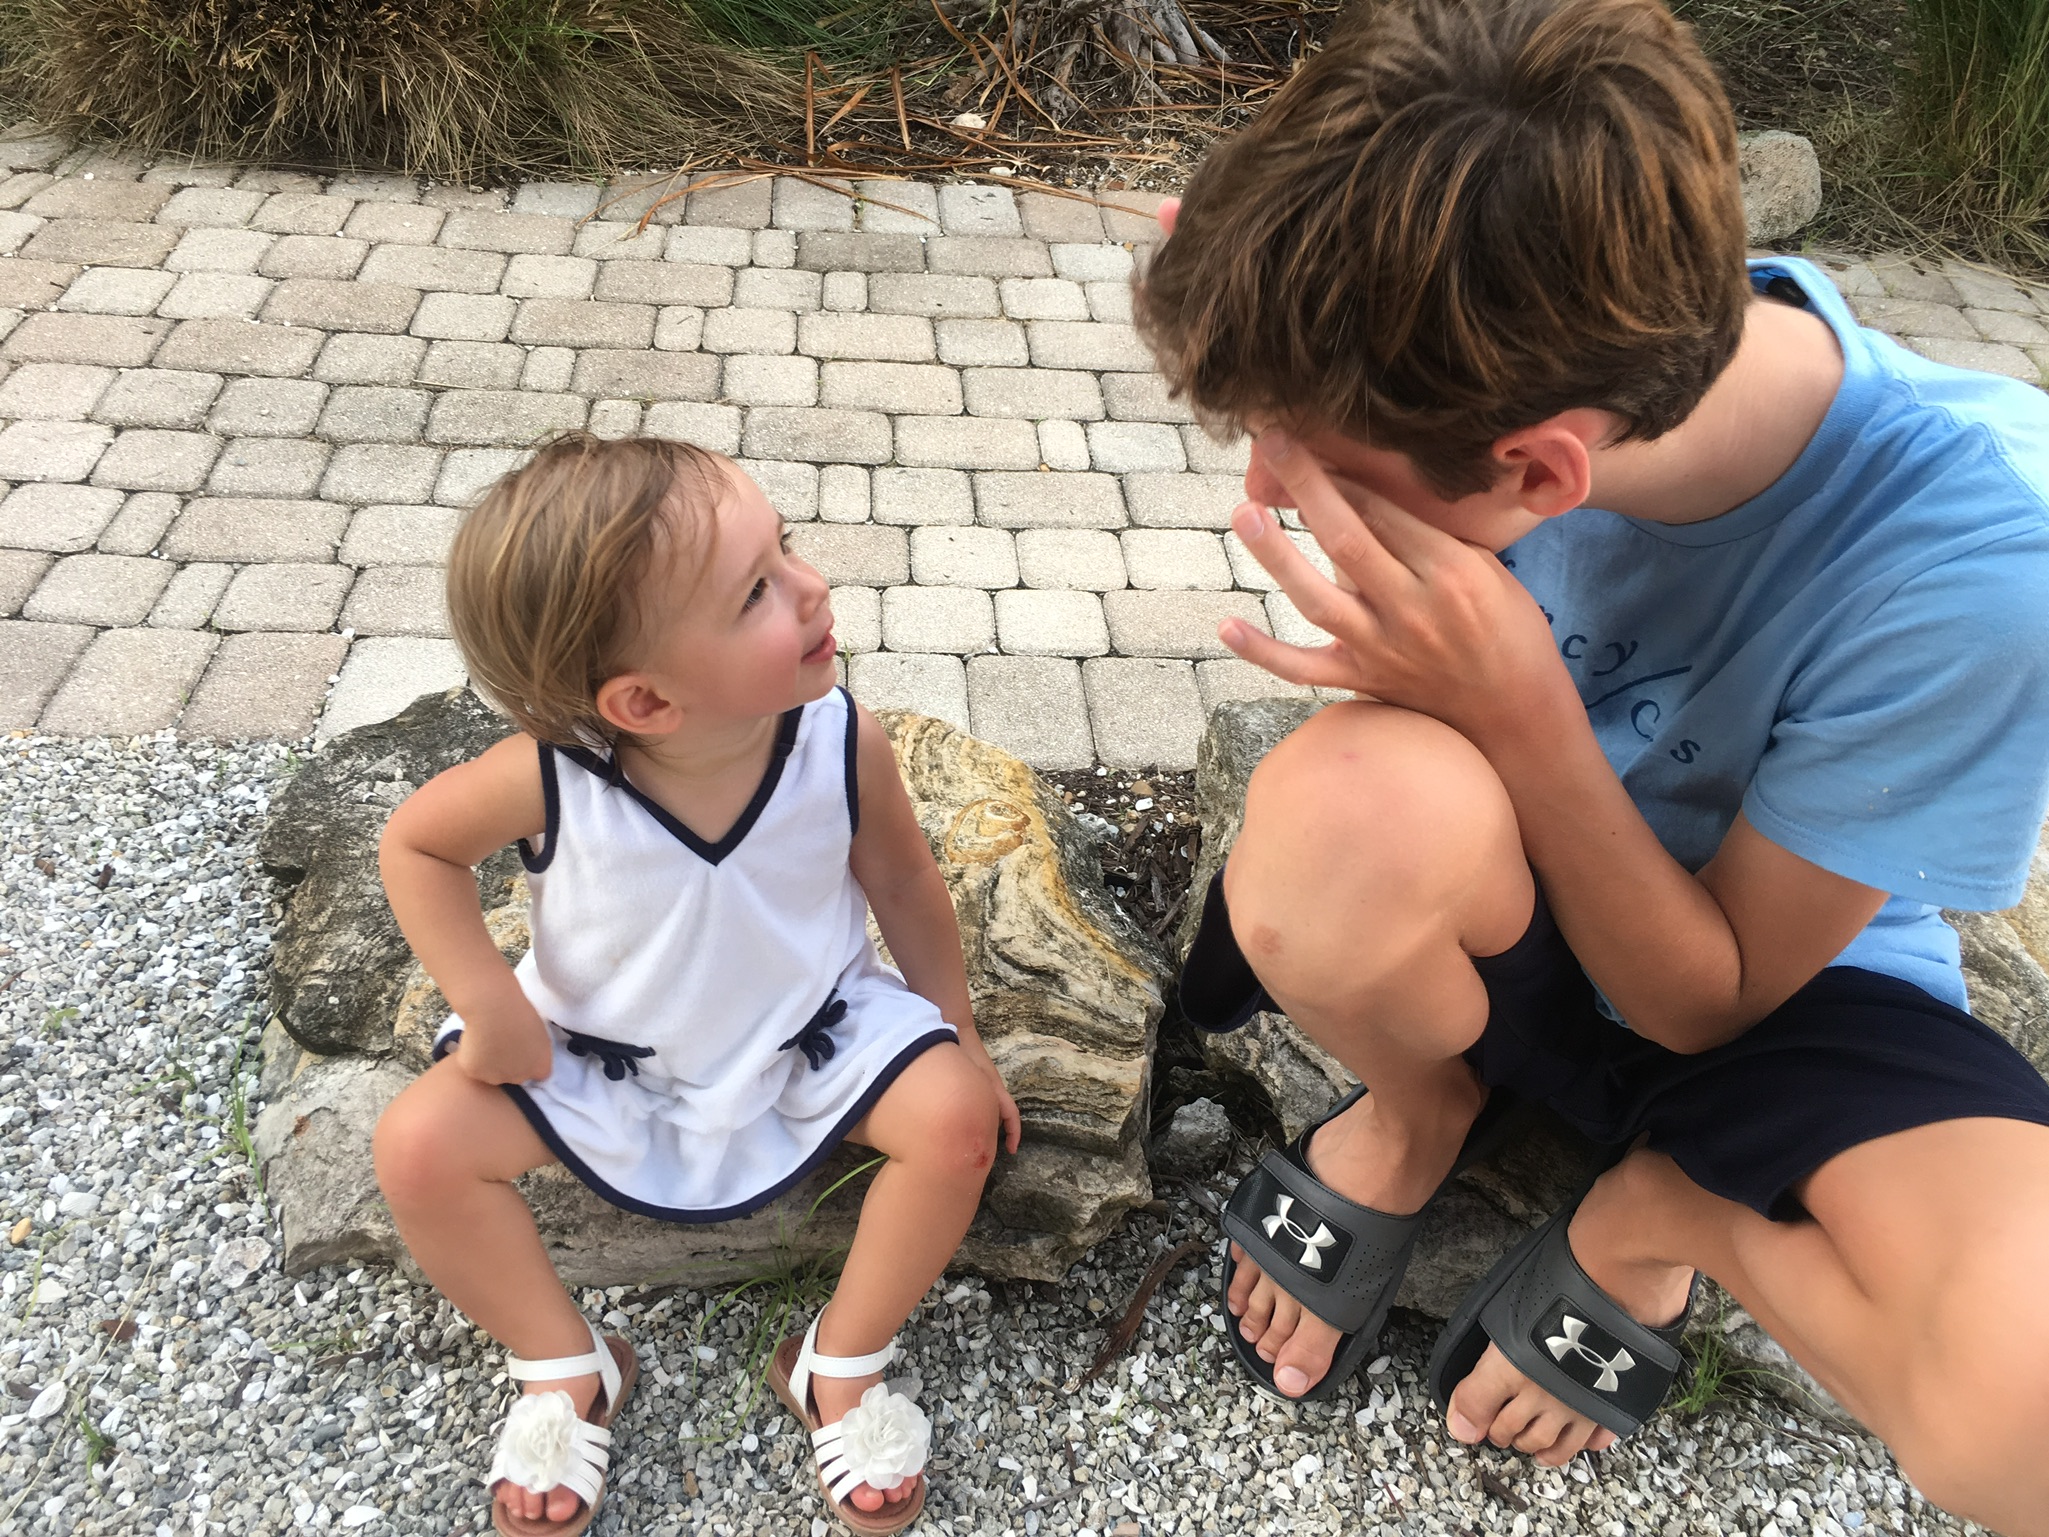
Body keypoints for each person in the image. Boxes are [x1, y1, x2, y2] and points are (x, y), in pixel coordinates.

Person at [1136, 0, 2049, 1530]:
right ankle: (1416, 1107)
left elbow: (1714, 998)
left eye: (1311, 458)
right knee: (1331, 825)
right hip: (1505, 903)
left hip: (1767, 990)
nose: (1270, 490)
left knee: (2020, 1418)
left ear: (1544, 470)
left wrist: (1521, 710)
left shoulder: (1979, 560)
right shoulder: (1530, 335)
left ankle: (1668, 1210)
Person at [371, 432, 1021, 1537]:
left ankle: (838, 1360)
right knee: (417, 1147)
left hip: (808, 1036)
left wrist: (954, 1026)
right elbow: (416, 846)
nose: (813, 587)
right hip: (603, 1056)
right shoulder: (551, 777)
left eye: (787, 547)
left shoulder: (838, 740)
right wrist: (489, 1004)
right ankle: (563, 1361)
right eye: (757, 590)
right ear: (644, 701)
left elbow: (904, 880)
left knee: (957, 1123)